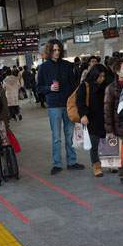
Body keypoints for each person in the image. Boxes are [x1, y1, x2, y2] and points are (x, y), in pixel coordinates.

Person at [37, 39, 84, 174]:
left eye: (58, 50)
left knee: (69, 135)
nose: (56, 52)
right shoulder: (43, 67)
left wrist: (75, 101)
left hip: (68, 104)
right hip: (54, 105)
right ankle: (57, 163)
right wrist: (49, 88)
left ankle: (72, 161)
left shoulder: (67, 66)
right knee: (56, 137)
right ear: (49, 51)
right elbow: (38, 88)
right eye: (54, 50)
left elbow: (74, 85)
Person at [76, 64, 108, 177]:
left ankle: (108, 162)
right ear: (94, 75)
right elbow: (79, 102)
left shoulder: (105, 85)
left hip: (104, 117)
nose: (102, 79)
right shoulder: (85, 85)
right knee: (94, 144)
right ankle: (96, 165)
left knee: (105, 141)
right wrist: (83, 115)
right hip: (92, 119)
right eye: (99, 76)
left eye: (103, 76)